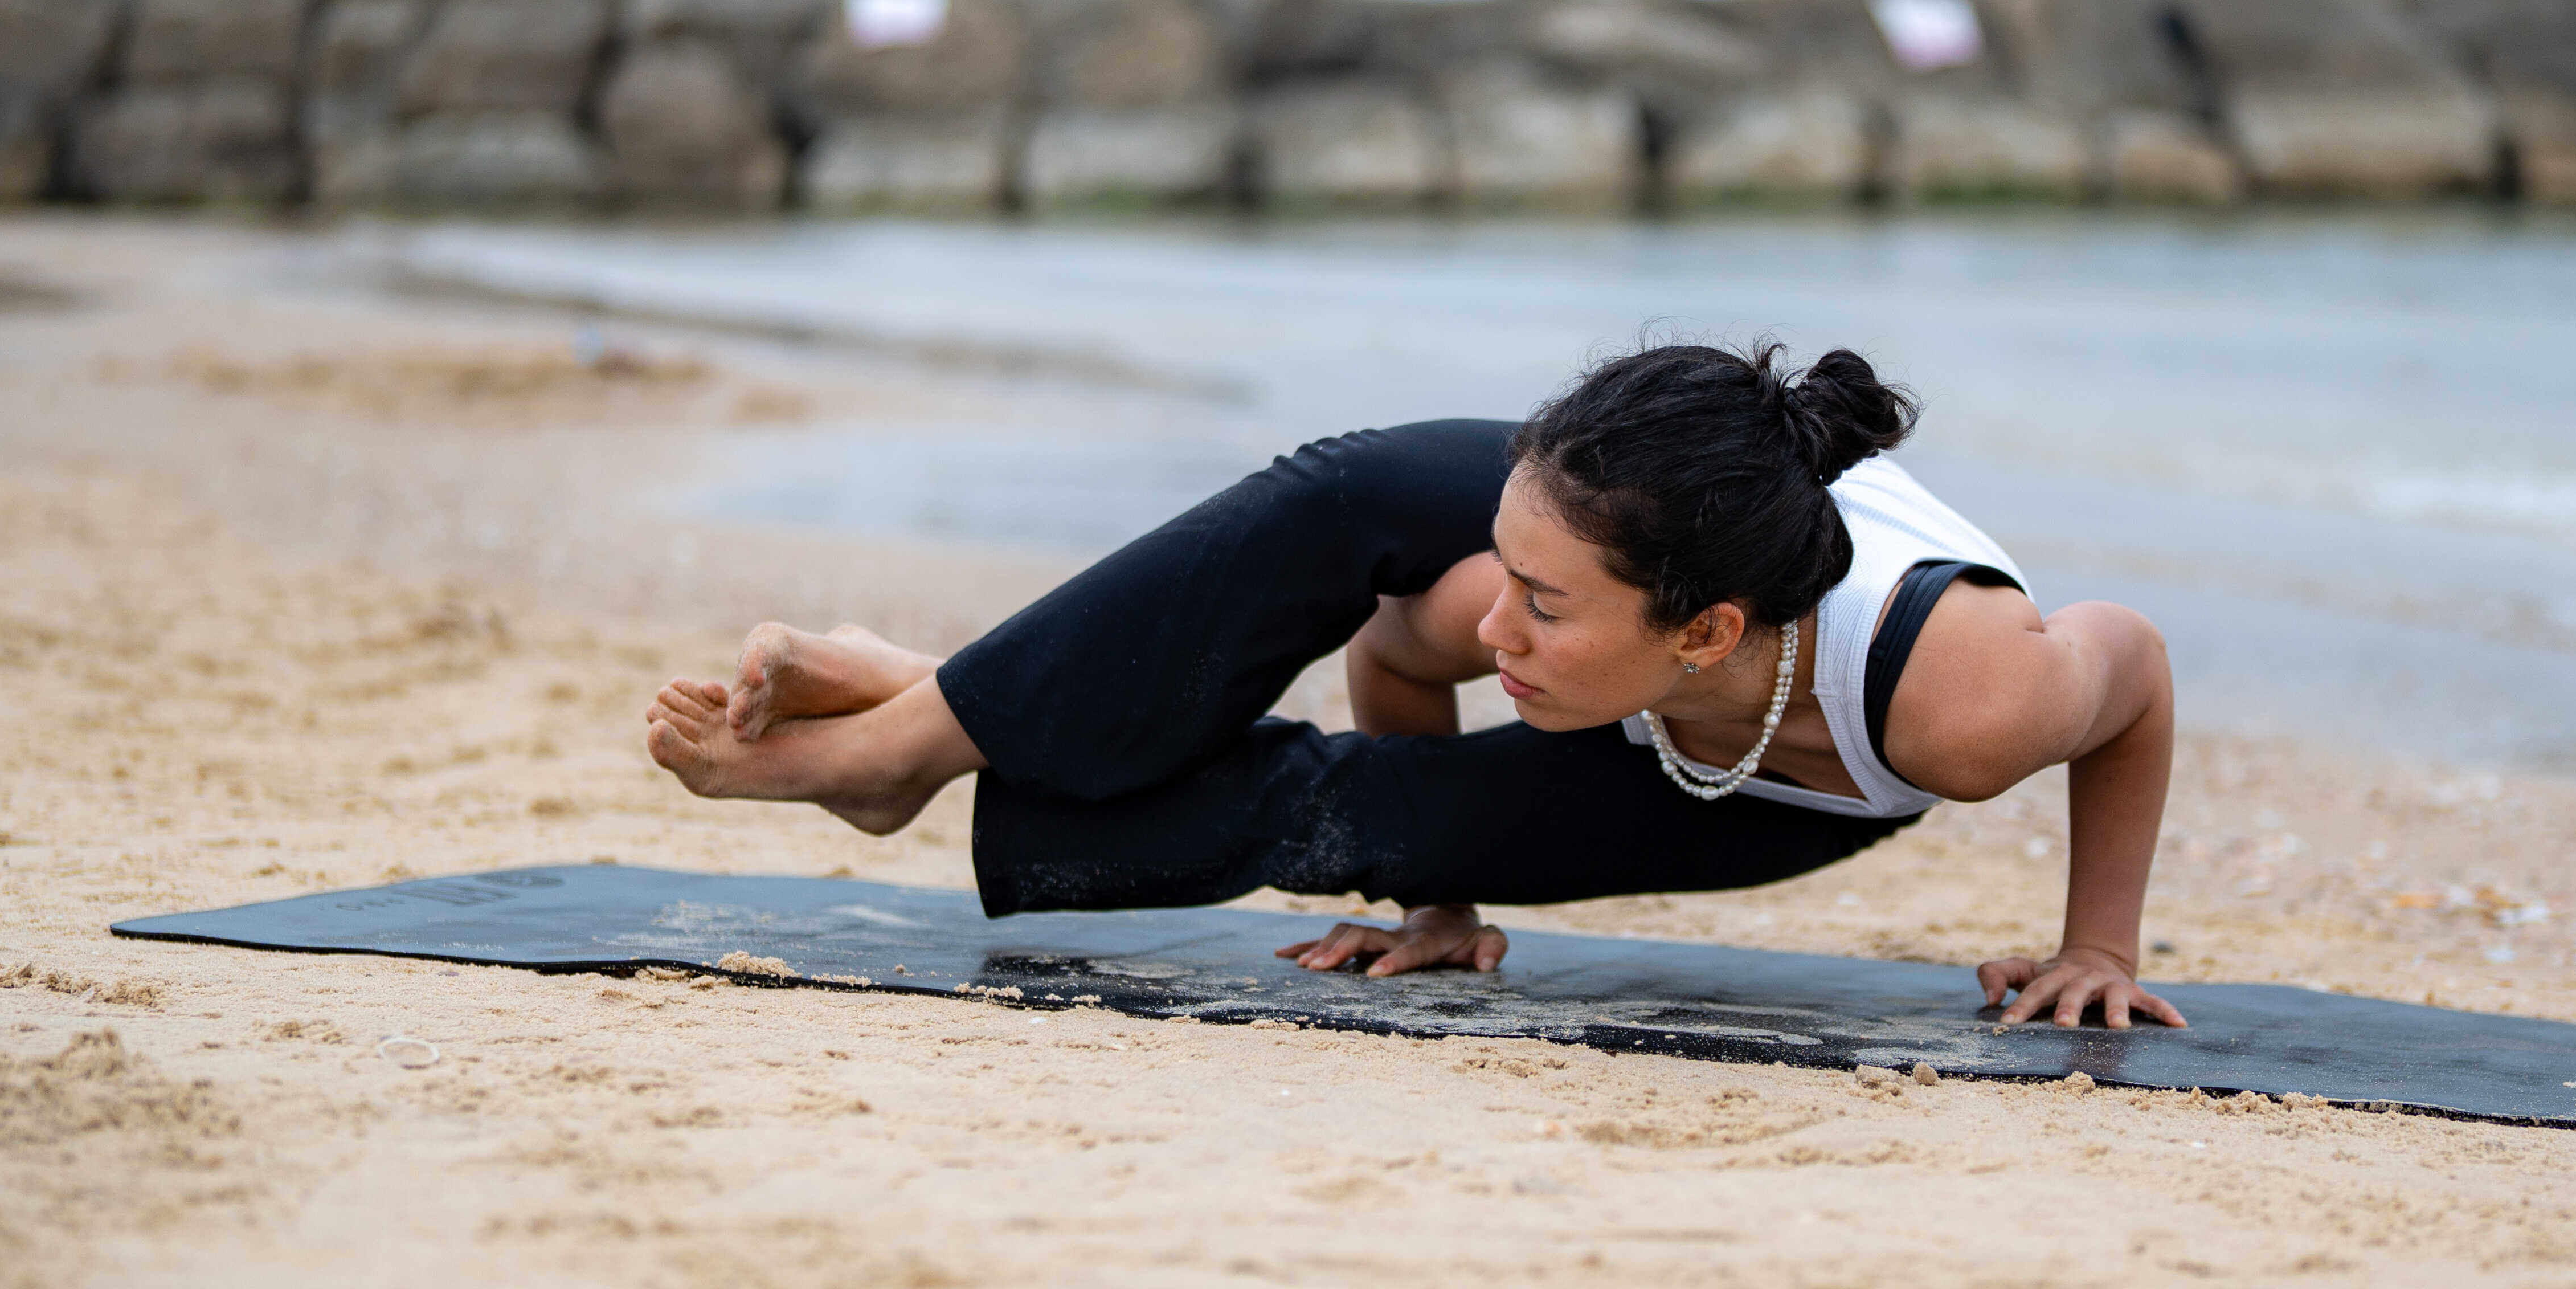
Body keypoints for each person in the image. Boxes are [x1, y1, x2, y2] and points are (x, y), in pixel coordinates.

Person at [642, 342, 2184, 1030]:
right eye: (1498, 575)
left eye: (1540, 604)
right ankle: (912, 735)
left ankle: (933, 701)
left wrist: (2095, 946)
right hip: (1634, 503)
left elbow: (2135, 667)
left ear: (1702, 636)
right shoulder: (1508, 592)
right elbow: (1398, 641)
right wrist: (1433, 900)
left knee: (1325, 811)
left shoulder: (1962, 705)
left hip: (1781, 776)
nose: (1491, 625)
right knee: (1340, 501)